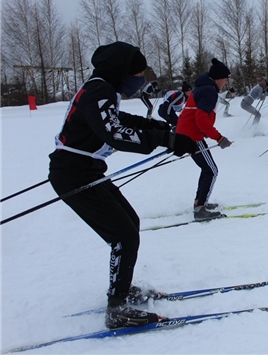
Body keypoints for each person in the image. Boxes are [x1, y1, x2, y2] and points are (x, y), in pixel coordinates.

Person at [48, 41, 192, 330]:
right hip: (74, 174)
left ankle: (121, 291)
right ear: (123, 70)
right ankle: (117, 310)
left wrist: (161, 128)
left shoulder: (101, 89)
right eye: (138, 73)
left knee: (130, 224)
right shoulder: (99, 90)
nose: (140, 79)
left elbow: (119, 119)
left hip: (85, 171)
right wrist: (168, 140)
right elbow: (115, 134)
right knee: (124, 235)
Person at [175, 58, 233, 220]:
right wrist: (219, 138)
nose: (226, 82)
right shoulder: (209, 91)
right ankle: (200, 209)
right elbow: (201, 118)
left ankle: (200, 202)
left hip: (189, 133)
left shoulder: (203, 88)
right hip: (191, 136)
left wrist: (205, 131)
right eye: (225, 78)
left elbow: (197, 116)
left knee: (207, 169)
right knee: (212, 170)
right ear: (218, 78)